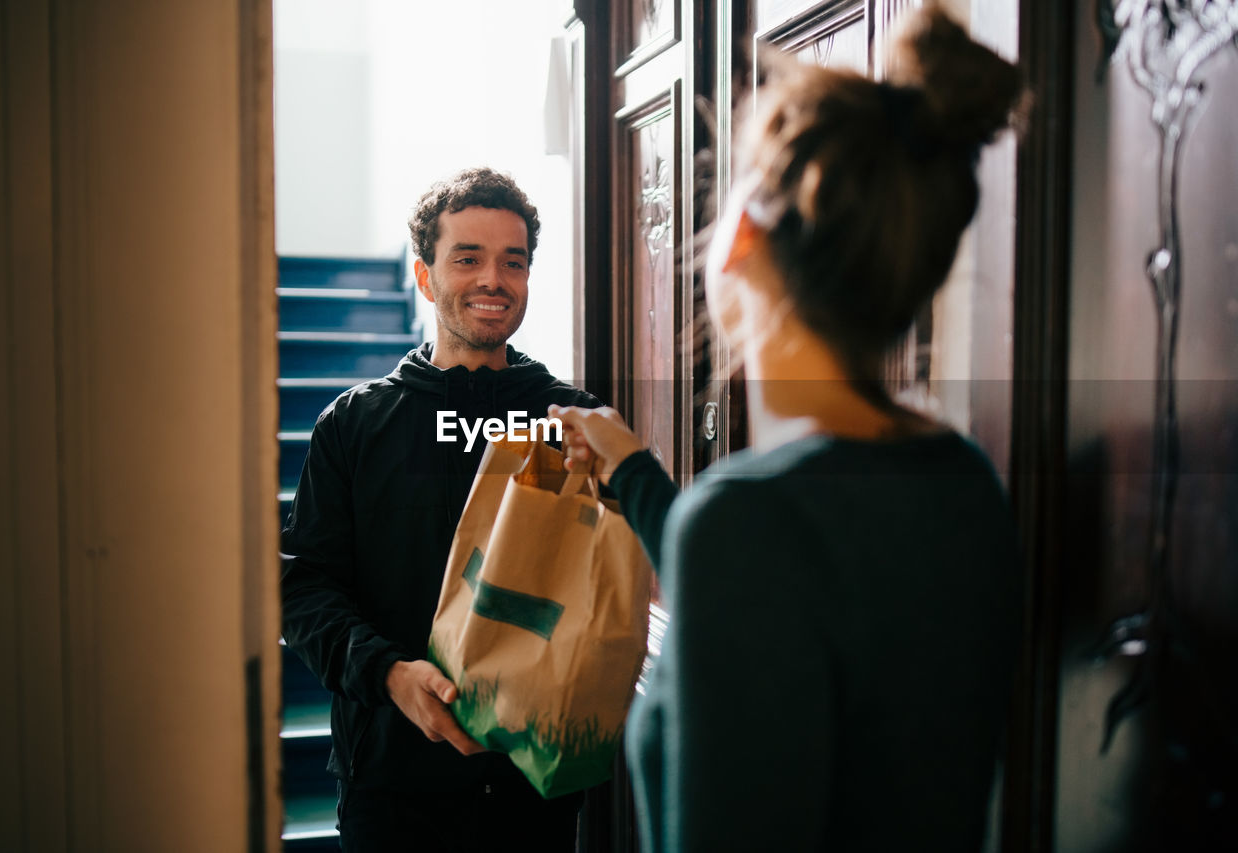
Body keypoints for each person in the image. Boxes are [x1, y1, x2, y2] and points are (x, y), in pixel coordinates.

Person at [551, 7, 1027, 850]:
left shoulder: (749, 520)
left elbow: (764, 565)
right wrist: (630, 467)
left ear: (737, 237)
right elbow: (795, 591)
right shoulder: (962, 477)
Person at [281, 167, 599, 852]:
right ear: (425, 278)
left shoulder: (573, 421)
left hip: (534, 784)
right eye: (468, 258)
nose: (494, 279)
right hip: (394, 783)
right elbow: (304, 585)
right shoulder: (355, 425)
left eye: (512, 262)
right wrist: (389, 673)